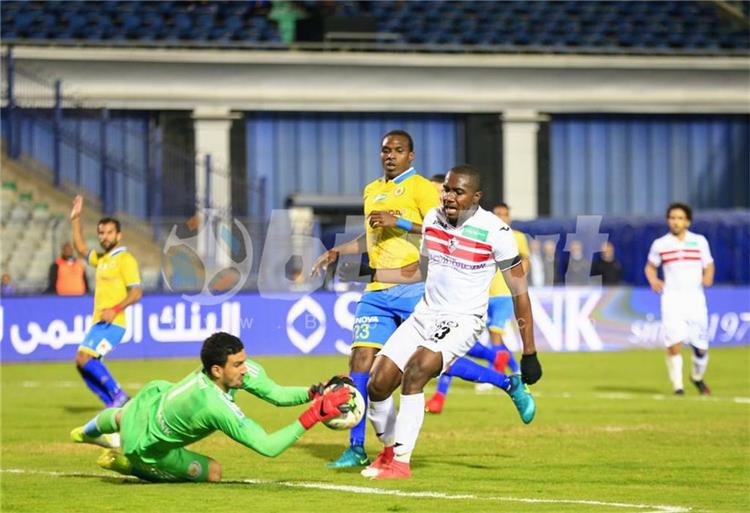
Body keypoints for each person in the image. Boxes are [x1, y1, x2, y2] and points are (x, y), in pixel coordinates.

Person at [362, 165, 543, 480]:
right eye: (447, 189)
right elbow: (419, 271)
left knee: (416, 371)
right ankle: (388, 452)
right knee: (377, 383)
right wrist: (374, 273)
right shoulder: (433, 219)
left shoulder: (496, 232)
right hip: (425, 314)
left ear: (476, 196)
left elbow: (519, 292)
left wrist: (529, 352)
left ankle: (400, 463)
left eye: (458, 192)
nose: (449, 197)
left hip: (463, 320)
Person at [311, 130, 440, 468]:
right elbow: (371, 237)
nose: (390, 155)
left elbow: (442, 230)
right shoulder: (371, 189)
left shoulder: (422, 188)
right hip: (376, 290)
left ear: (411, 156)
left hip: (414, 287)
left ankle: (506, 382)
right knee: (360, 363)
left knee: (431, 360)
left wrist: (398, 221)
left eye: (398, 150)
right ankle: (356, 448)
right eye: (385, 150)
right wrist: (339, 250)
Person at [70, 332, 352, 482]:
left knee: (122, 416)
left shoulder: (223, 371)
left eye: (244, 361)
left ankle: (84, 432)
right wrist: (315, 414)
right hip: (147, 448)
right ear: (217, 370)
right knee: (214, 472)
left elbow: (276, 394)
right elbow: (268, 447)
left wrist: (315, 391)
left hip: (147, 401)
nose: (245, 369)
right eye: (238, 365)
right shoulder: (214, 406)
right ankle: (131, 467)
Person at [425, 202, 530, 412]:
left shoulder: (516, 236)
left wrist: (516, 279)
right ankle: (512, 369)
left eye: (505, 214)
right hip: (481, 295)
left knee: (493, 335)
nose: (501, 217)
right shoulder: (483, 233)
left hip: (503, 294)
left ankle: (501, 373)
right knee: (457, 343)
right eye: (498, 213)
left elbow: (525, 260)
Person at [70, 195, 142, 407]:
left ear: (119, 235)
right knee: (81, 363)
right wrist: (75, 218)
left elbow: (137, 292)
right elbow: (81, 248)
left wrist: (115, 309)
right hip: (99, 322)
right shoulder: (102, 259)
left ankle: (120, 396)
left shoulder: (125, 259)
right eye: (101, 233)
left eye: (109, 232)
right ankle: (112, 403)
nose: (105, 237)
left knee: (84, 357)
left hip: (114, 322)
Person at [645, 203, 714, 396]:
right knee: (674, 344)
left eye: (680, 218)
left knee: (701, 348)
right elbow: (650, 266)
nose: (676, 222)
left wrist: (708, 276)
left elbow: (709, 264)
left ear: (687, 222)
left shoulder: (699, 241)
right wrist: (653, 280)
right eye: (672, 218)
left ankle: (697, 377)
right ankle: (678, 387)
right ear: (668, 220)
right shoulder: (660, 244)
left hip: (695, 301)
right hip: (672, 300)